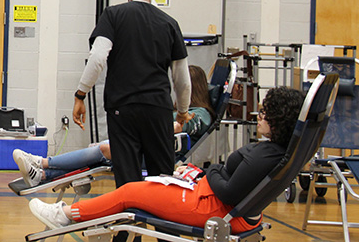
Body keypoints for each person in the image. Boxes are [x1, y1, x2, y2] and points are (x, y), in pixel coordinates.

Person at [28, 86, 304, 234]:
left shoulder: (267, 156)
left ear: (279, 120)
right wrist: (202, 173)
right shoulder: (277, 152)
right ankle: (48, 176)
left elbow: (229, 190)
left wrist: (211, 172)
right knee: (142, 184)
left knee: (130, 192)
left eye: (266, 113)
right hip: (212, 201)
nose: (260, 117)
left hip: (210, 209)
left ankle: (64, 216)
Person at [72, 0, 191, 190]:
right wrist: (182, 110)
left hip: (122, 108)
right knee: (163, 178)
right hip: (158, 109)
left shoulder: (113, 14)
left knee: (128, 178)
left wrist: (80, 94)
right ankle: (162, 223)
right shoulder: (169, 23)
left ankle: (129, 222)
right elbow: (182, 79)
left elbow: (97, 58)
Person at [14, 65, 213, 187]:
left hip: (158, 156)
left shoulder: (200, 114)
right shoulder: (176, 110)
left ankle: (42, 163)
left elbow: (176, 128)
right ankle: (41, 175)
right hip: (148, 147)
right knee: (101, 152)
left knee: (104, 149)